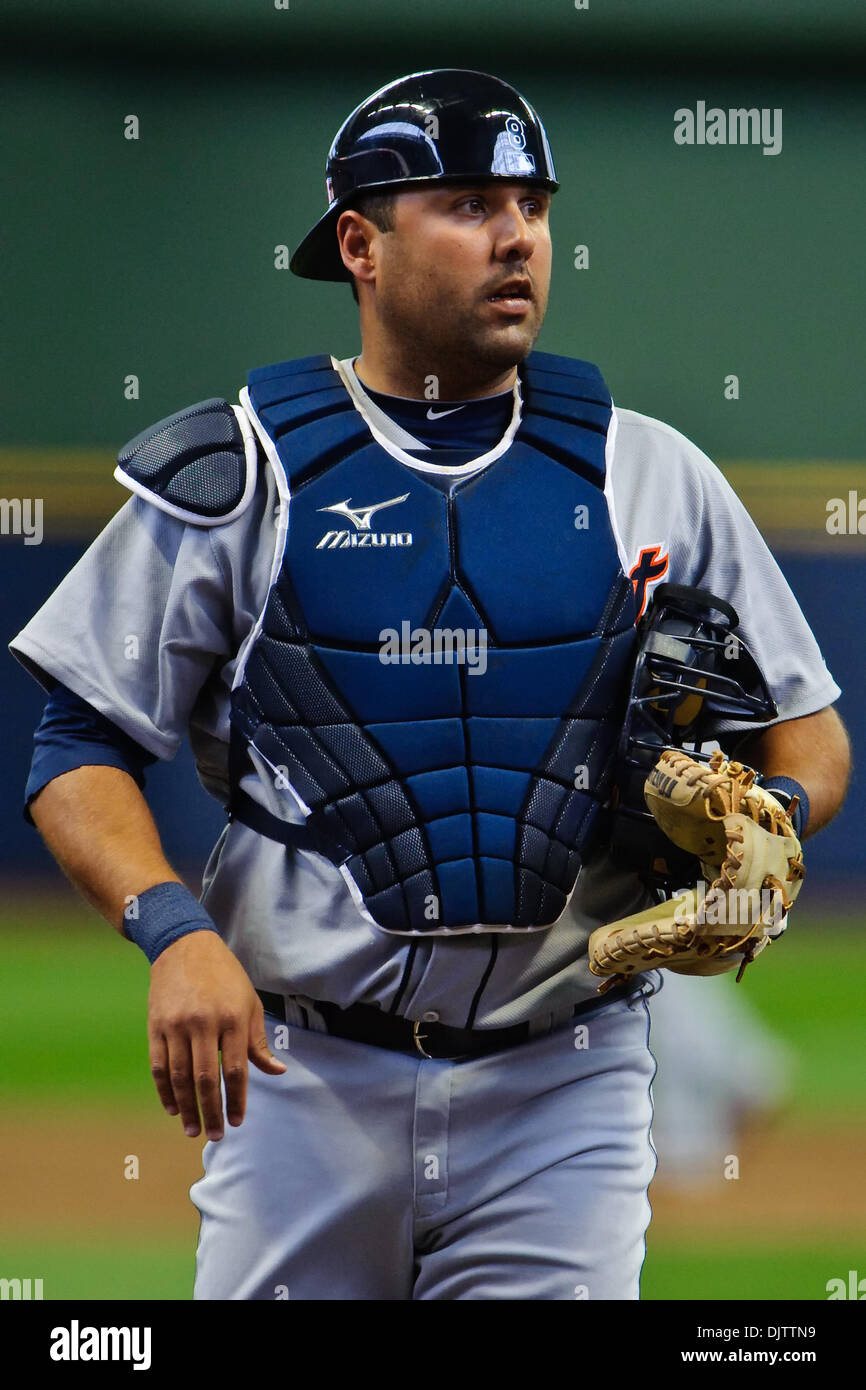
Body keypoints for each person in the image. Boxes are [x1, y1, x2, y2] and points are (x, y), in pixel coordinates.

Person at [10, 69, 850, 1301]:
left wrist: (767, 828)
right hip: (304, 1086)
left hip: (565, 1084)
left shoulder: (649, 471)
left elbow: (808, 740)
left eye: (531, 202)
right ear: (359, 242)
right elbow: (71, 747)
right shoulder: (243, 469)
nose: (515, 233)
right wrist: (173, 933)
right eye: (465, 202)